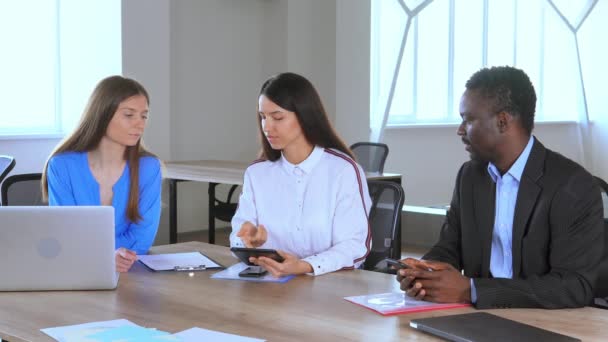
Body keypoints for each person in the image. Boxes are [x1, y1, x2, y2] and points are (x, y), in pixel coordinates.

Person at [397, 66, 604, 309]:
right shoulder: (470, 177)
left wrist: (471, 290)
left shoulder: (572, 185)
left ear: (503, 121)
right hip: (475, 318)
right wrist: (423, 274)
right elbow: (449, 247)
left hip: (545, 323)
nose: (460, 130)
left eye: (468, 119)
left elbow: (574, 285)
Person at [229, 72, 371, 277]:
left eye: (277, 117)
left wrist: (305, 266)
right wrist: (247, 241)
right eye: (263, 117)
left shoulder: (343, 170)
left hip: (331, 286)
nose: (267, 127)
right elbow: (237, 235)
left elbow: (354, 246)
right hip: (272, 289)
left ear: (305, 116)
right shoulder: (257, 173)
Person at [42, 75, 162, 273]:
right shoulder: (61, 165)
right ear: (102, 114)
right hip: (76, 269)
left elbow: (143, 237)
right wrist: (105, 257)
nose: (140, 124)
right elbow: (67, 232)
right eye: (129, 115)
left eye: (144, 115)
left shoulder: (149, 167)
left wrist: (111, 257)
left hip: (130, 270)